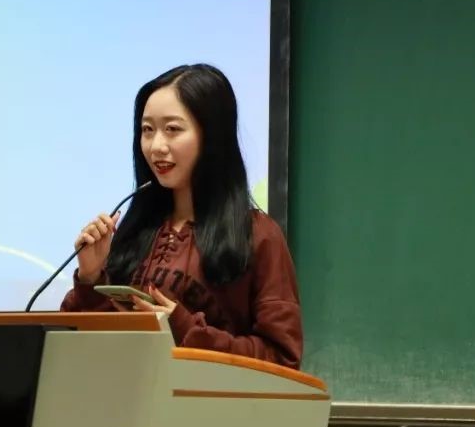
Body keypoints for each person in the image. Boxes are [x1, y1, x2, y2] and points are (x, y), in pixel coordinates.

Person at [60, 64, 303, 369]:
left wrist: (183, 328)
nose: (156, 146)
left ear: (211, 136)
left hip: (206, 399)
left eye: (172, 129)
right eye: (147, 130)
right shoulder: (132, 232)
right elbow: (84, 347)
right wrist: (91, 278)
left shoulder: (257, 235)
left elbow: (282, 358)